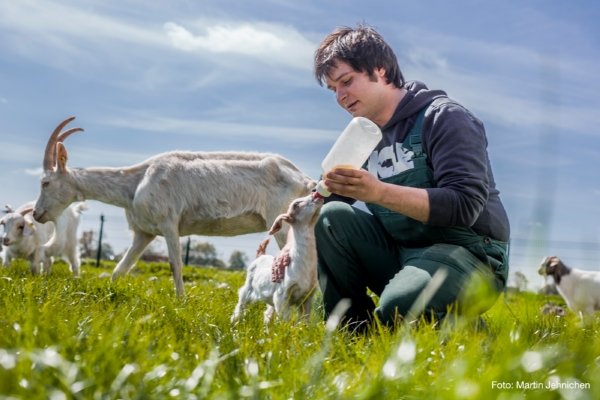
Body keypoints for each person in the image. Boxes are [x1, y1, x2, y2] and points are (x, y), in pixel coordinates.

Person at [313, 24, 510, 330]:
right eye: (333, 89)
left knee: (399, 307)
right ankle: (351, 334)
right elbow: (328, 195)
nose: (340, 96)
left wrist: (378, 192)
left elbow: (464, 205)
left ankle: (472, 335)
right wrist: (291, 237)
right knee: (330, 217)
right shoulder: (362, 136)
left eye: (346, 81)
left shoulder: (445, 118)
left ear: (380, 69)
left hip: (471, 257)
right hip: (404, 253)